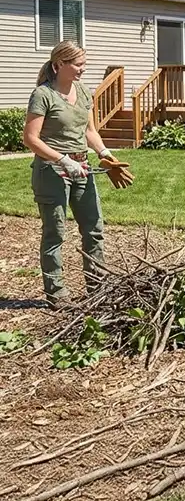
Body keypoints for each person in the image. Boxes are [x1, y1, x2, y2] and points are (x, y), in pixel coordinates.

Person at [21, 41, 132, 307]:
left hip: (82, 168)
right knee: (55, 233)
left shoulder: (82, 92)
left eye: (84, 64)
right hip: (52, 171)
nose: (83, 69)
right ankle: (56, 294)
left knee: (93, 229)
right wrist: (62, 160)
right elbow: (30, 138)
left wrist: (105, 155)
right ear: (59, 64)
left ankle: (98, 288)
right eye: (78, 64)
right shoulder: (43, 95)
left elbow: (89, 131)